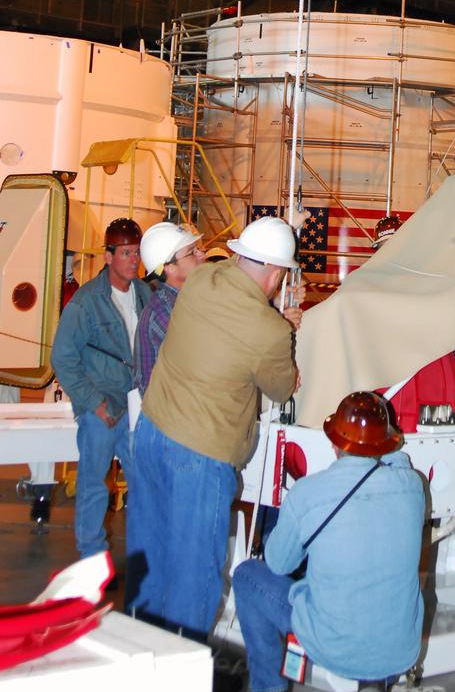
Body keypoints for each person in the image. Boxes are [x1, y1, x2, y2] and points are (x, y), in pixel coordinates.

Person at [128, 216, 302, 642]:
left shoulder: (201, 280)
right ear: (276, 273)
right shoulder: (270, 330)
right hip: (200, 455)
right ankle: (182, 665)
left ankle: (140, 648)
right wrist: (285, 329)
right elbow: (281, 388)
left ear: (239, 254)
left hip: (151, 432)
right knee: (194, 572)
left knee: (150, 555)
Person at [232, 391, 425, 692]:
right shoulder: (413, 487)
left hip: (333, 642)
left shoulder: (309, 492)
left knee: (248, 576)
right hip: (399, 645)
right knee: (374, 588)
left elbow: (278, 564)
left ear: (335, 443)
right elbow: (400, 463)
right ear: (386, 442)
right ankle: (373, 686)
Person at [52, 218, 149, 559]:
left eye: (136, 253)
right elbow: (62, 357)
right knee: (94, 484)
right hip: (101, 408)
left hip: (136, 406)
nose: (133, 260)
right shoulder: (85, 302)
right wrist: (94, 403)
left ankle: (143, 553)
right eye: (125, 253)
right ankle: (92, 557)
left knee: (144, 481)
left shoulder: (144, 294)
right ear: (108, 256)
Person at [134, 221, 205, 394]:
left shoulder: (186, 302)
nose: (201, 255)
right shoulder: (163, 312)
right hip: (169, 409)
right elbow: (201, 363)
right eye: (192, 252)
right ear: (170, 267)